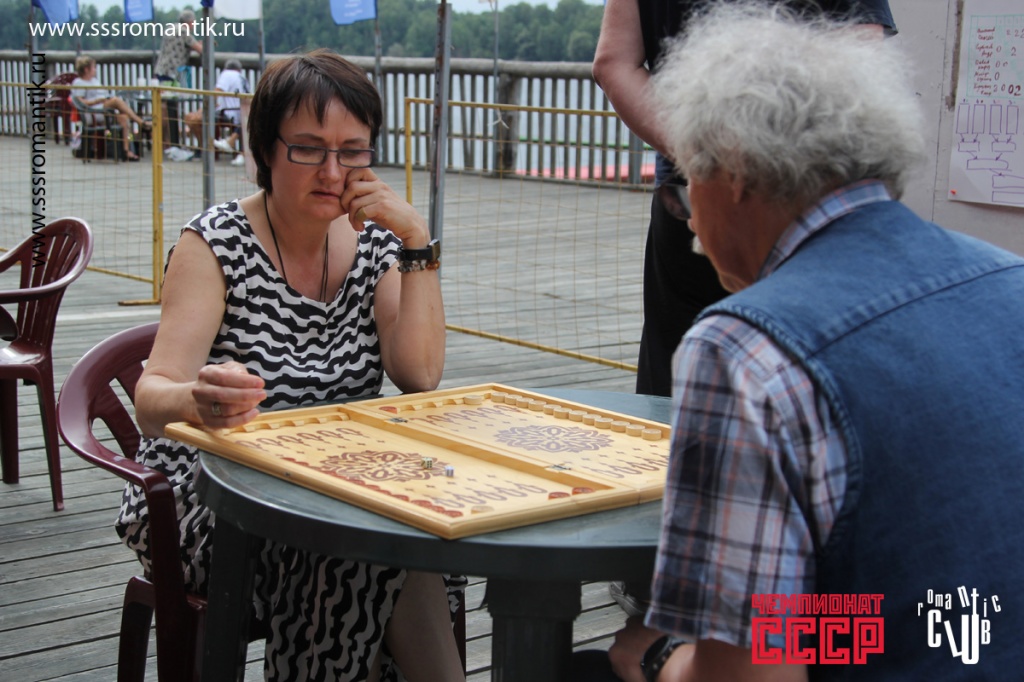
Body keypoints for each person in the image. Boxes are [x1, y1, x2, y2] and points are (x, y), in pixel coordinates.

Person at [591, 3, 1024, 680]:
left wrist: (660, 655)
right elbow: (921, 614)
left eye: (685, 188)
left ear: (734, 172)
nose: (692, 225)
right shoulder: (1009, 280)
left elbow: (752, 674)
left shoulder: (745, 350)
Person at [117, 49, 463, 681]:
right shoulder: (215, 243)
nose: (332, 171)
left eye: (352, 151)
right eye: (308, 148)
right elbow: (150, 395)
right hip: (214, 494)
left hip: (337, 482)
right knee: (362, 547)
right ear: (266, 150)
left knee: (409, 530)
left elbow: (419, 374)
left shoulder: (377, 244)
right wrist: (200, 398)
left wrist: (416, 241)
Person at [591, 0, 895, 624]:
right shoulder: (999, 284)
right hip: (949, 622)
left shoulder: (728, 349)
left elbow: (613, 61)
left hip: (858, 636)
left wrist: (661, 658)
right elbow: (864, 51)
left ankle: (661, 596)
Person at [592, 0, 895, 399]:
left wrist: (706, 160)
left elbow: (613, 62)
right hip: (807, 202)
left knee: (675, 385)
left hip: (692, 197)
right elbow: (861, 62)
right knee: (815, 378)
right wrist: (758, 165)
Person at [70, 55, 151, 162]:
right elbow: (80, 102)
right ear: (86, 69)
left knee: (123, 118)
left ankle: (126, 151)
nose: (95, 70)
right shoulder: (79, 82)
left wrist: (105, 99)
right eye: (93, 67)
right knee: (116, 101)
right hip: (94, 112)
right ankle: (140, 122)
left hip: (104, 110)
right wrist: (96, 101)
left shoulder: (94, 81)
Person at [154, 9, 203, 156]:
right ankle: (170, 144)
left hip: (161, 71)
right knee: (169, 109)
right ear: (190, 22)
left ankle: (165, 144)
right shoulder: (184, 31)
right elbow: (201, 50)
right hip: (173, 74)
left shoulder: (171, 28)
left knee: (164, 107)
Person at [183, 58, 250, 166]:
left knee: (191, 118)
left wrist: (201, 111)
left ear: (226, 68)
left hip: (228, 113)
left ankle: (203, 149)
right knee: (194, 118)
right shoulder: (242, 78)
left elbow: (215, 94)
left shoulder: (227, 74)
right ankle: (206, 148)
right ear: (239, 69)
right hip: (240, 113)